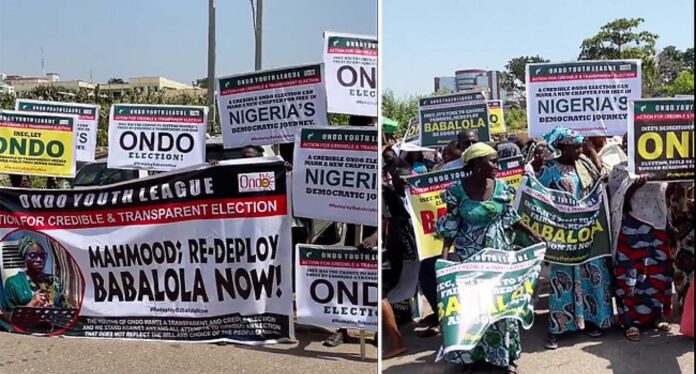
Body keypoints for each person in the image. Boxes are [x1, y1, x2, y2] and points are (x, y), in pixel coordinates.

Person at [435, 143, 542, 374]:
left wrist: (533, 234)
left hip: (499, 258)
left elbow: (511, 217)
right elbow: (449, 226)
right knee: (473, 308)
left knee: (500, 305)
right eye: (492, 161)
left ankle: (503, 356)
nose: (497, 165)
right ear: (476, 164)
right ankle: (472, 358)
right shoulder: (456, 191)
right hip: (468, 258)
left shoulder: (502, 188)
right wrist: (444, 263)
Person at [538, 127, 613, 349]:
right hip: (564, 235)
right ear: (562, 147)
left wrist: (593, 157)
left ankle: (592, 320)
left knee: (593, 274)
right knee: (563, 277)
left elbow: (601, 184)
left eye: (581, 145)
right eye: (576, 146)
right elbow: (539, 197)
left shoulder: (585, 165)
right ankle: (560, 327)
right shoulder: (550, 170)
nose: (580, 149)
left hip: (588, 233)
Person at [609, 162, 674, 341]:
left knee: (658, 273)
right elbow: (617, 200)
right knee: (628, 277)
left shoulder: (662, 164)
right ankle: (629, 322)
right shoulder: (620, 169)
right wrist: (634, 186)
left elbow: (666, 195)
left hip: (657, 226)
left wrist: (673, 177)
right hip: (631, 228)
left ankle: (655, 316)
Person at [382, 164, 417, 359]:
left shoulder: (387, 193)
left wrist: (378, 232)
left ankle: (396, 343)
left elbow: (400, 219)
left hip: (391, 250)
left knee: (380, 294)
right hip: (387, 249)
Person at [1, 236, 67, 314]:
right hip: (24, 326)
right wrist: (31, 304)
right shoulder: (13, 283)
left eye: (42, 256)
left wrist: (52, 310)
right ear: (24, 258)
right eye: (33, 255)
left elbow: (65, 309)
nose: (39, 260)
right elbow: (6, 317)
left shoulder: (54, 281)